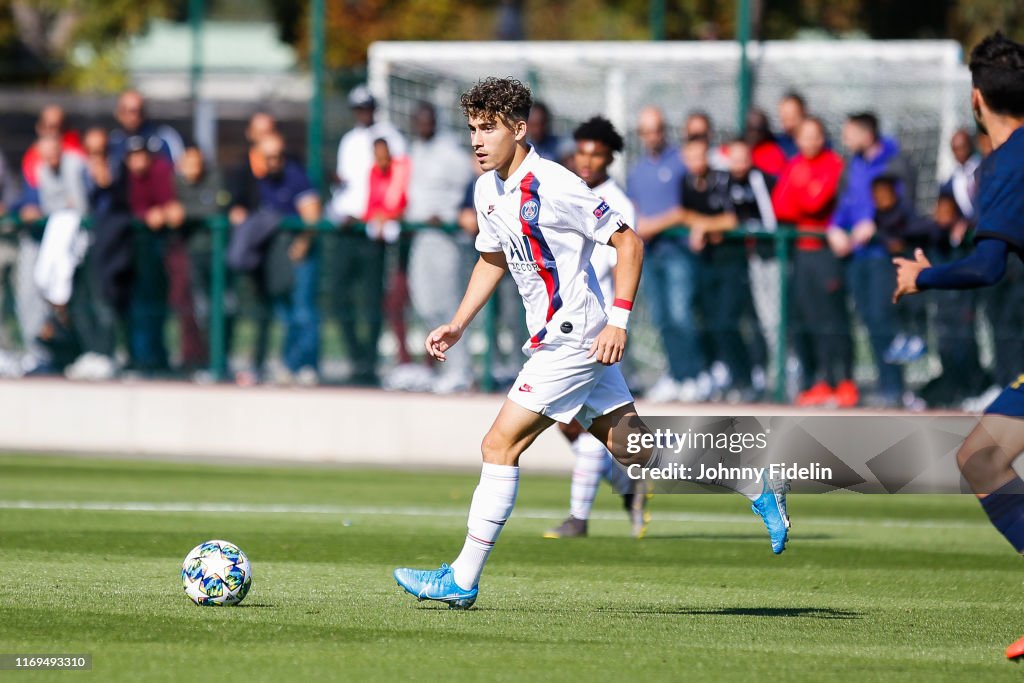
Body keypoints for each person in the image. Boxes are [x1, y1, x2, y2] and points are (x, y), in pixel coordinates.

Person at [393, 77, 790, 610]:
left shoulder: (556, 184)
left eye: (488, 129)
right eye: (472, 129)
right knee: (637, 449)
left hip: (575, 336)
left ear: (518, 127)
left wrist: (619, 322)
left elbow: (629, 241)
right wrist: (459, 324)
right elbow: (491, 259)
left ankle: (462, 578)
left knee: (498, 444)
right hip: (560, 338)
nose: (477, 140)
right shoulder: (488, 188)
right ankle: (754, 484)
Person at [891, 32, 1024, 660]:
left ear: (976, 101)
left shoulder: (1006, 165)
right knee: (982, 457)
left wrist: (924, 276)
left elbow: (987, 266)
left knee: (981, 460)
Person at [543, 116, 649, 540]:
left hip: (592, 326)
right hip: (565, 323)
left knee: (535, 425)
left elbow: (620, 258)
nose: (586, 160)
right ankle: (628, 483)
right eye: (582, 151)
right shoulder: (568, 189)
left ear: (609, 158)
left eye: (596, 154)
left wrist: (616, 323)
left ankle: (579, 517)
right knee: (586, 425)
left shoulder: (614, 203)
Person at [828, 112, 911, 406]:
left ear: (867, 133)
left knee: (882, 318)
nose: (845, 139)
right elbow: (844, 205)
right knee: (866, 318)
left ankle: (895, 388)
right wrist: (834, 228)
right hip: (856, 257)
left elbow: (903, 205)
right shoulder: (853, 166)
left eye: (849, 133)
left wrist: (876, 224)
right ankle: (884, 384)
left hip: (882, 255)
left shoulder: (894, 163)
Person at [771, 117, 856, 407]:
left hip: (825, 254)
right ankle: (819, 381)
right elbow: (779, 205)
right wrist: (801, 191)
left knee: (833, 317)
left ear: (823, 138)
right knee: (807, 318)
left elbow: (815, 202)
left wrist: (800, 193)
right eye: (803, 136)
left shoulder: (834, 164)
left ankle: (843, 381)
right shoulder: (794, 165)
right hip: (802, 254)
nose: (809, 142)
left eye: (814, 135)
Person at [329, 85, 406, 386]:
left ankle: (369, 363)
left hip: (374, 229)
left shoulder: (391, 136)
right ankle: (356, 356)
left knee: (372, 299)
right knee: (338, 294)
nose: (362, 114)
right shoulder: (349, 140)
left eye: (366, 108)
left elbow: (396, 180)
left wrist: (382, 213)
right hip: (348, 227)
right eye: (357, 109)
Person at [629, 107, 704, 403]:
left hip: (678, 252)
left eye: (656, 129)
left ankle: (694, 375)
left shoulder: (681, 163)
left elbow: (687, 208)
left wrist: (653, 224)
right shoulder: (637, 170)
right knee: (662, 318)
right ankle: (676, 373)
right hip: (652, 254)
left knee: (681, 315)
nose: (652, 136)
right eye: (646, 131)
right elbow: (633, 206)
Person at [405, 101, 475, 393]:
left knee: (447, 303)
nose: (422, 125)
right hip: (420, 235)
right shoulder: (414, 150)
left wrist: (450, 215)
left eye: (427, 120)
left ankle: (462, 371)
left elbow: (472, 188)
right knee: (423, 302)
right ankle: (442, 367)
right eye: (418, 120)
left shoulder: (452, 155)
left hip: (446, 236)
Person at [255, 133, 322, 385]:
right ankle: (291, 363)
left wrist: (303, 243)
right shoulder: (261, 181)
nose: (273, 162)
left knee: (303, 311)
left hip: (298, 254)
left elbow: (312, 214)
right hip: (275, 256)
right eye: (268, 157)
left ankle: (302, 365)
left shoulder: (296, 177)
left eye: (277, 156)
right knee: (286, 314)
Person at [108, 90, 184, 166]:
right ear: (118, 113)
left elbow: (179, 167)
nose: (134, 117)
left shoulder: (163, 137)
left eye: (139, 111)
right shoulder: (112, 140)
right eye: (129, 111)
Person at [21, 105, 85, 191]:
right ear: (40, 128)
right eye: (51, 127)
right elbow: (33, 189)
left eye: (61, 127)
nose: (56, 133)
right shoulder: (32, 157)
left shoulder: (77, 152)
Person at [776, 92, 808, 158]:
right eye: (784, 118)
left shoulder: (817, 143)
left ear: (803, 113)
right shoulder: (777, 142)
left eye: (792, 117)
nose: (788, 123)